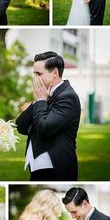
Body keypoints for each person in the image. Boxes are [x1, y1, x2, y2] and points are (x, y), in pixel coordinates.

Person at [16, 51, 81, 181]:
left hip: (56, 168)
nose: (35, 78)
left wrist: (40, 101)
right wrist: (37, 101)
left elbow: (44, 128)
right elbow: (21, 126)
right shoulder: (43, 94)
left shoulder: (68, 97)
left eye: (38, 74)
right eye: (34, 74)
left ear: (55, 73)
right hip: (37, 167)